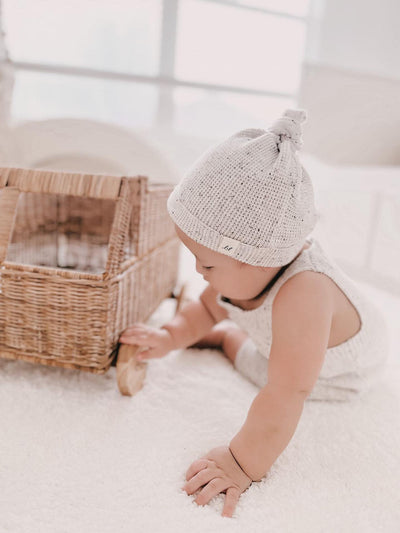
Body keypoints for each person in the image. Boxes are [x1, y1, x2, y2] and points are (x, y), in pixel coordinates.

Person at [119, 109, 389, 518]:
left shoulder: (305, 294)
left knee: (269, 376)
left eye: (206, 264)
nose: (197, 271)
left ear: (258, 261)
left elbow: (286, 394)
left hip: (339, 371)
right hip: (282, 342)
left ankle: (229, 338)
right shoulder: (244, 270)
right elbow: (209, 306)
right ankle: (227, 334)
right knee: (227, 317)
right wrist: (172, 335)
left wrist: (241, 462)